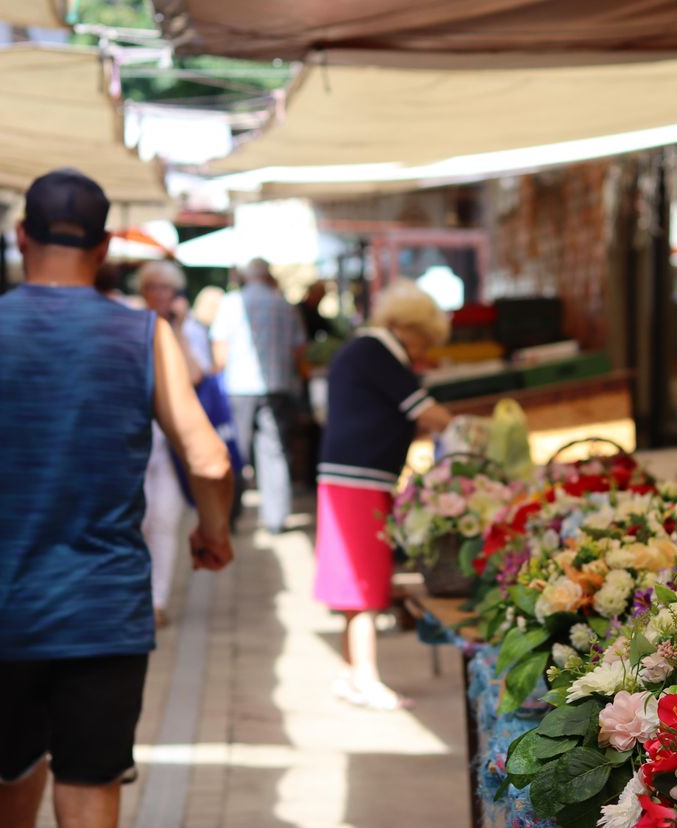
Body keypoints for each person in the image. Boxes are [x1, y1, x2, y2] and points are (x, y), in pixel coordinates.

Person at [0, 168, 234, 828]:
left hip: (2, 614)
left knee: (10, 790)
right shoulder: (144, 335)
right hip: (105, 615)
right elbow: (210, 459)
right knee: (88, 795)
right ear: (103, 248)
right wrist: (212, 533)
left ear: (21, 236)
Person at [313, 280, 453, 711]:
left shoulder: (364, 350)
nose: (421, 353)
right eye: (423, 342)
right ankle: (367, 679)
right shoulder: (378, 352)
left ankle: (349, 671)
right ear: (408, 328)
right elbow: (428, 413)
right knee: (365, 583)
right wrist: (462, 428)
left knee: (353, 581)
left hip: (351, 476)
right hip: (359, 480)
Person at [211, 258, 305, 533]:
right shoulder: (283, 304)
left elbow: (219, 351)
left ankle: (229, 515)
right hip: (277, 385)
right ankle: (275, 518)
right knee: (275, 450)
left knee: (236, 451)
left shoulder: (232, 302)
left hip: (240, 387)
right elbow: (298, 348)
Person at [137, 259, 204, 626]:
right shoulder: (130, 325)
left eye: (167, 288)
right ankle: (138, 593)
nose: (160, 295)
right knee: (139, 518)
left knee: (165, 520)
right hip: (138, 436)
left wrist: (175, 329)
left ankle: (157, 599)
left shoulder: (186, 329)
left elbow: (194, 374)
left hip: (172, 443)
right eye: (154, 287)